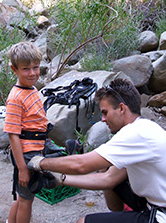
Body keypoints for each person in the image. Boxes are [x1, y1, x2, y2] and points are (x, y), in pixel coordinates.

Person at [28, 78, 166, 223]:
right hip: (153, 204)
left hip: (160, 215)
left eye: (105, 113)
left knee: (83, 222)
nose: (103, 119)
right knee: (107, 169)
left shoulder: (136, 133)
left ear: (121, 109)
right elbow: (109, 179)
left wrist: (40, 163)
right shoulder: (145, 128)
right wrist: (62, 179)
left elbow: (81, 165)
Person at [3, 41, 49, 223]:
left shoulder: (31, 89)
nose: (32, 73)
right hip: (26, 154)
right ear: (14, 69)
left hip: (34, 150)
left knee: (22, 197)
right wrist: (22, 168)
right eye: (25, 69)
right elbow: (12, 133)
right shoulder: (15, 98)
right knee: (26, 201)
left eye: (35, 67)